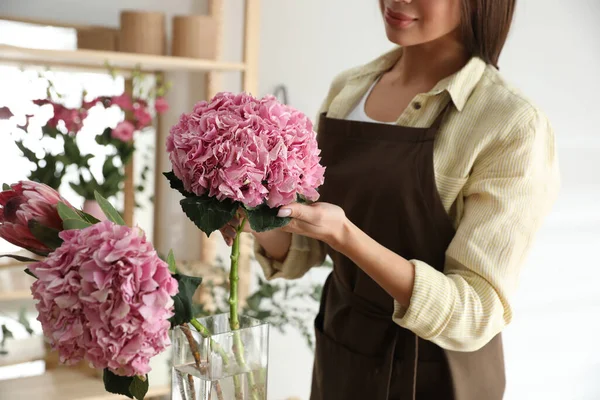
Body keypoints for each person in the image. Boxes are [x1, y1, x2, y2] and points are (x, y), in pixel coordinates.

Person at [221, 0, 560, 398]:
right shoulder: (348, 90)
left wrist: (347, 237)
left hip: (438, 372)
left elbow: (476, 310)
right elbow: (306, 247)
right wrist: (256, 219)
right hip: (344, 350)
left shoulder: (509, 123)